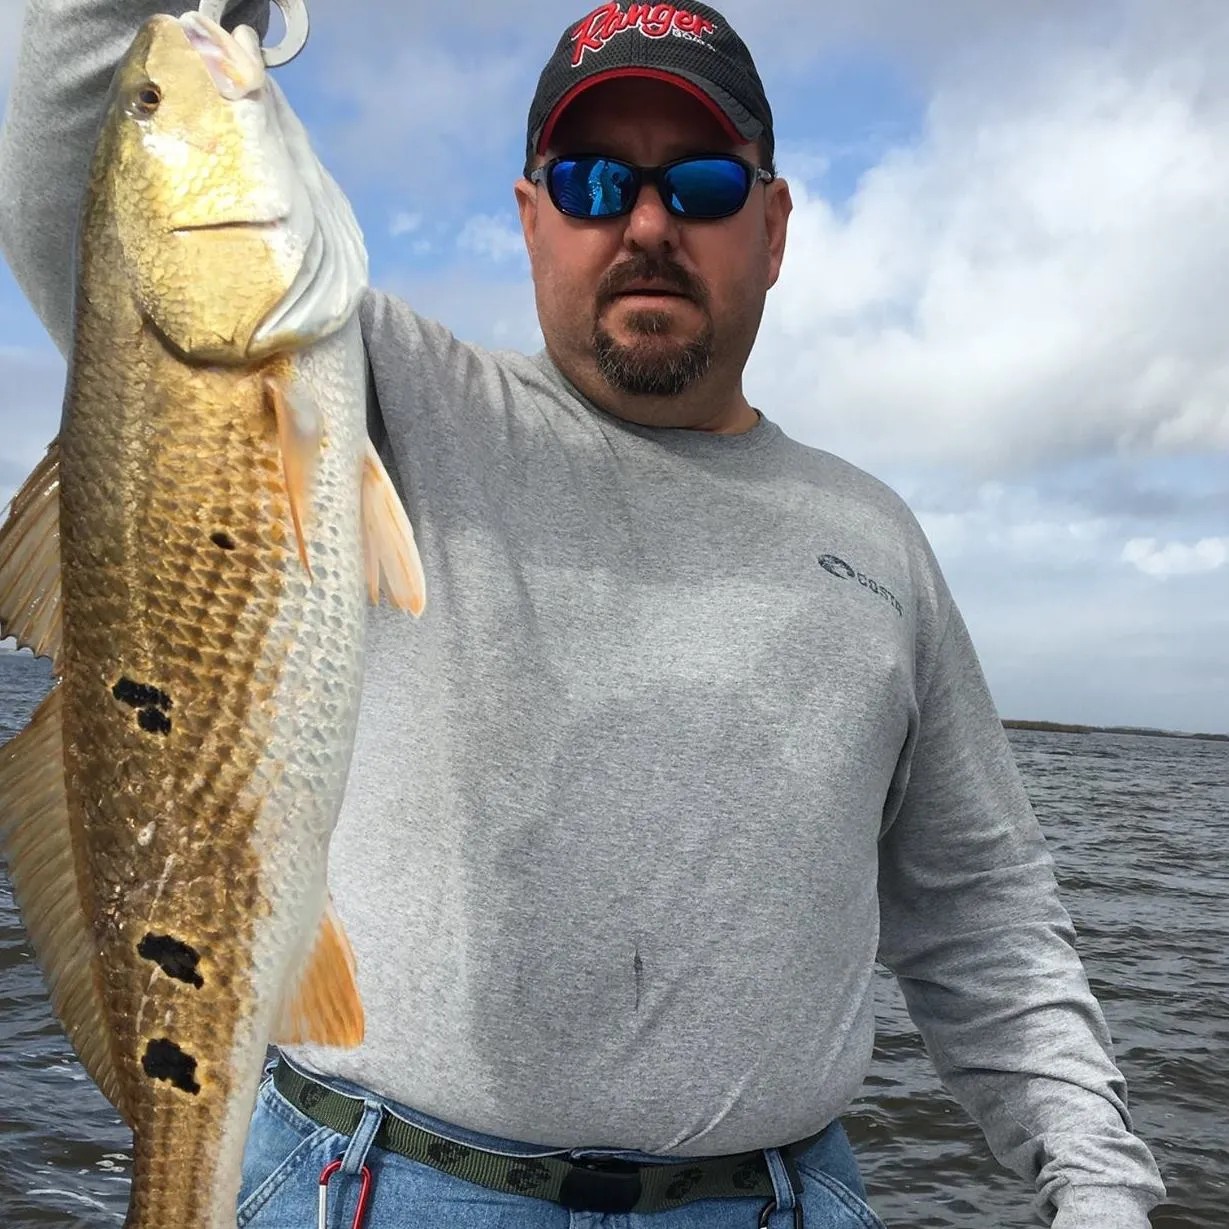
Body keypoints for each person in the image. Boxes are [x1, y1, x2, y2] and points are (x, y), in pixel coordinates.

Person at [0, 2, 1167, 1227]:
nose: (647, 224)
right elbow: (88, 157)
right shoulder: (365, 387)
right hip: (368, 1183)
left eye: (702, 184)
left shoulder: (877, 542)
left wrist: (1098, 1185)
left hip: (774, 1200)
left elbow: (983, 910)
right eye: (592, 181)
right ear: (529, 216)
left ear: (772, 228)